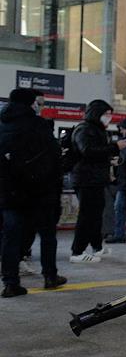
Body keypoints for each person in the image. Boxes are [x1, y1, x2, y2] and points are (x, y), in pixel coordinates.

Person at [0, 89, 68, 296]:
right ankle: (50, 276)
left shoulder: (2, 125)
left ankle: (10, 283)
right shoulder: (38, 125)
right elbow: (54, 158)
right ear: (31, 103)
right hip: (40, 192)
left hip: (10, 193)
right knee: (47, 235)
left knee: (11, 238)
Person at [69, 99, 119, 263]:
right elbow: (87, 151)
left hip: (96, 179)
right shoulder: (84, 129)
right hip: (86, 179)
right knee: (87, 215)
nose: (109, 117)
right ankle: (77, 252)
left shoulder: (98, 130)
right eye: (106, 114)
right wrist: (115, 147)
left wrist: (109, 160)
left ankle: (97, 247)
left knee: (96, 215)